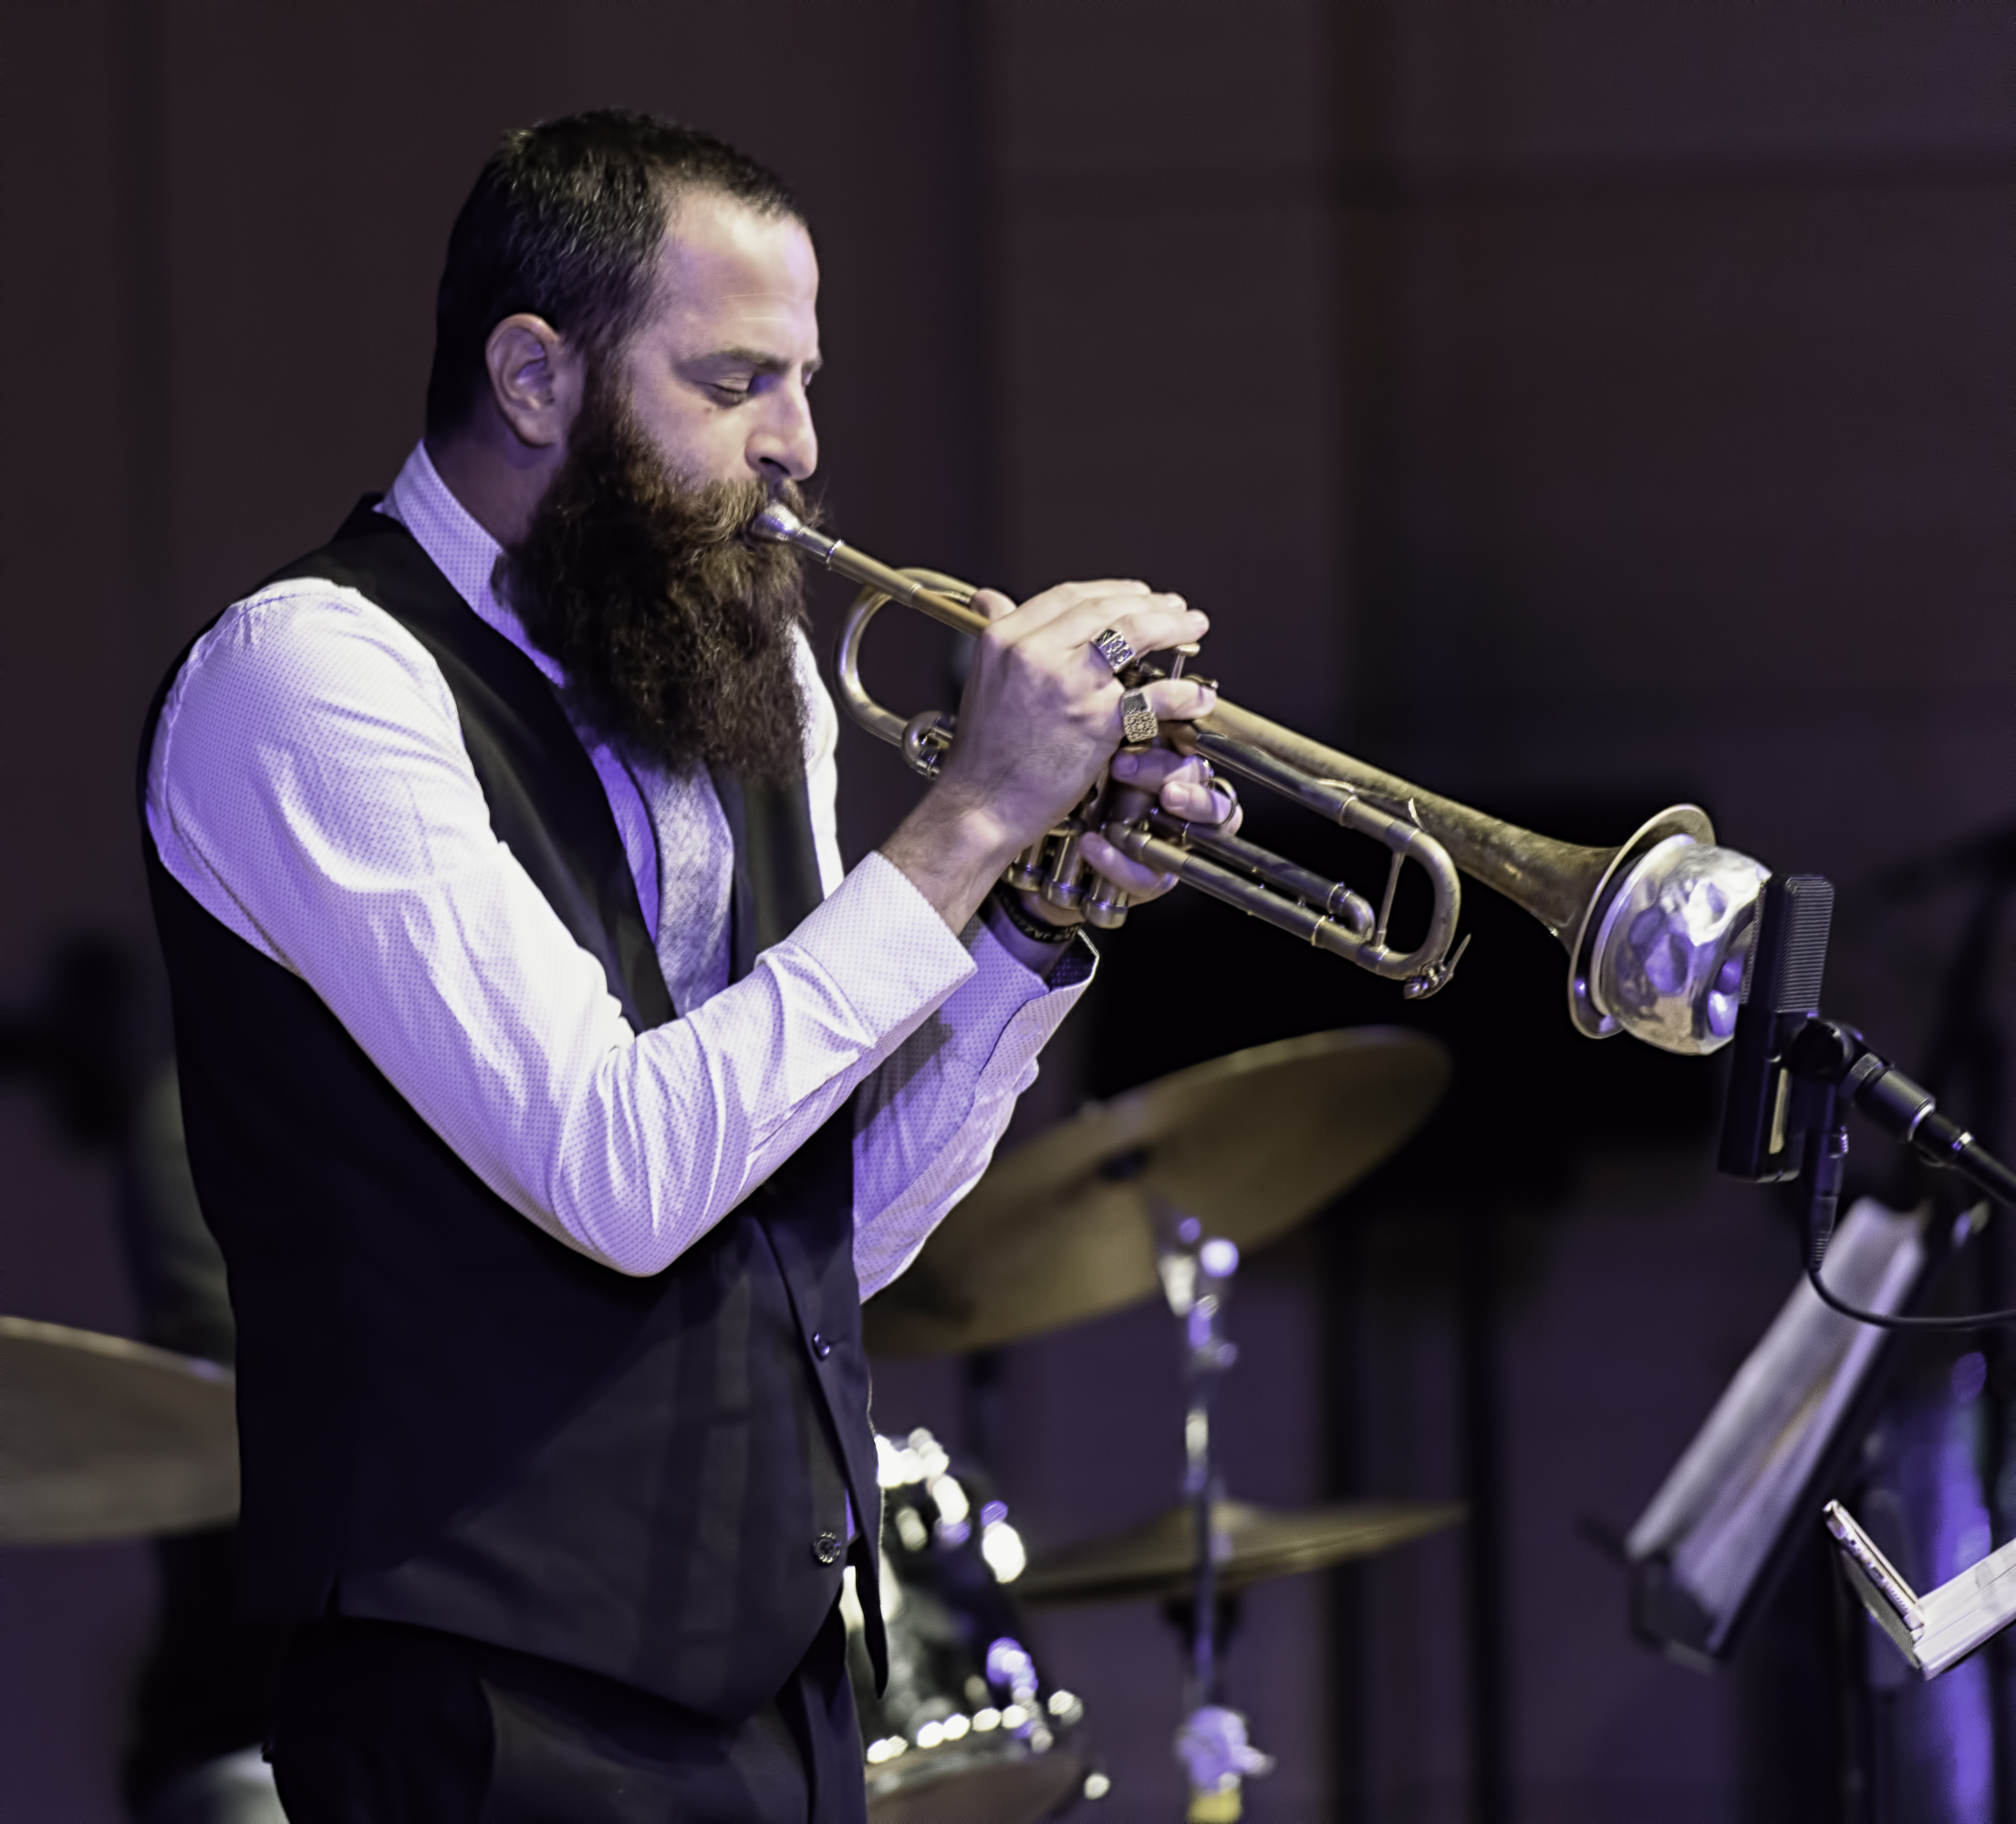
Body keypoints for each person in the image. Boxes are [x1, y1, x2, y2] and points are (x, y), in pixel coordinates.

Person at [139, 110, 1235, 1823]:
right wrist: (962, 826)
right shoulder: (313, 681)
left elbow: (811, 1247)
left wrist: (1031, 927)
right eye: (734, 384)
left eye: (803, 381)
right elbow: (623, 1172)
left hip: (777, 1677)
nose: (800, 446)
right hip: (486, 1701)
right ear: (532, 376)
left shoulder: (749, 681)